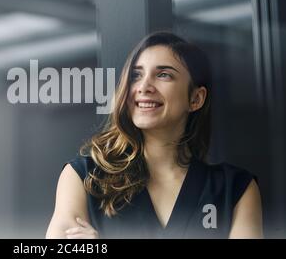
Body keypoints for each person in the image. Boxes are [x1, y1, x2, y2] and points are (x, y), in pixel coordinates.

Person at [46, 31, 263, 239]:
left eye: (163, 75)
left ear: (196, 98)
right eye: (136, 75)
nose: (144, 86)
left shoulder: (235, 189)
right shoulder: (84, 177)